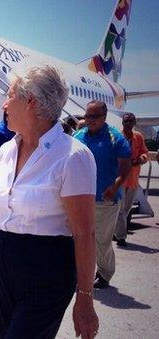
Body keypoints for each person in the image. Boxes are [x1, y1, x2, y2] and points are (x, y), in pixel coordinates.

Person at [0, 65, 99, 339]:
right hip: (2, 260)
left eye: (9, 95)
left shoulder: (73, 157)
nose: (4, 103)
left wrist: (85, 297)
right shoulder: (5, 151)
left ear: (31, 102)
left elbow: (84, 234)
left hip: (47, 268)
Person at [74, 101, 131, 289]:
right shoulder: (78, 136)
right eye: (87, 116)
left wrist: (115, 187)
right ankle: (79, 272)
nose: (89, 120)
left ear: (104, 117)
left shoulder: (115, 138)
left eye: (94, 116)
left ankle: (105, 273)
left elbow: (125, 167)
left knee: (102, 240)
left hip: (105, 199)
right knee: (79, 237)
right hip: (80, 198)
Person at [115, 113, 148, 247]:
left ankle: (117, 232)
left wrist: (142, 158)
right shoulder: (117, 136)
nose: (128, 124)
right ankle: (121, 237)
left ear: (134, 123)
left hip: (133, 178)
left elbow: (144, 152)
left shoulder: (138, 137)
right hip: (120, 178)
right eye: (126, 121)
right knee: (120, 209)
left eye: (130, 121)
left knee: (127, 209)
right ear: (122, 123)